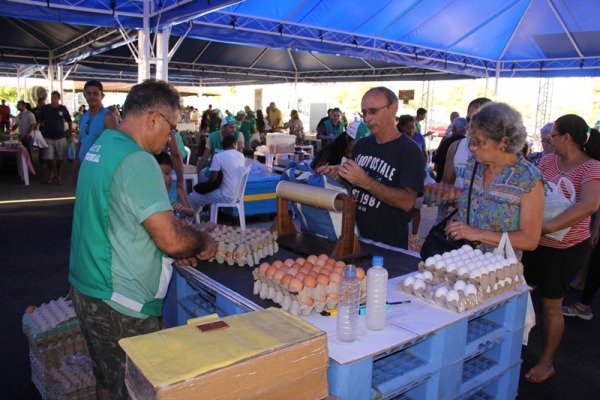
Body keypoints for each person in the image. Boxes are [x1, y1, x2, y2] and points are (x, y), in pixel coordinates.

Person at [69, 79, 217, 400]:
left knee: (107, 378)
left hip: (88, 287)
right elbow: (171, 240)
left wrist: (170, 245)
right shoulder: (139, 160)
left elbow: (119, 217)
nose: (171, 137)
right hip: (121, 304)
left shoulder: (102, 145)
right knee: (137, 390)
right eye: (172, 128)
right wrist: (203, 244)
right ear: (153, 119)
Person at [521, 114, 600, 384]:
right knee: (517, 295)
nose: (548, 141)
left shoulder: (592, 168)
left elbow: (590, 204)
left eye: (552, 136)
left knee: (551, 307)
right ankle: (514, 347)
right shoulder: (547, 161)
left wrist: (550, 225)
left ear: (566, 137)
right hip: (533, 241)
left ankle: (547, 362)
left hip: (563, 249)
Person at [319, 87, 425, 249]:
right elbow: (354, 186)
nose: (367, 118)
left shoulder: (409, 151)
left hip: (387, 246)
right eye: (364, 113)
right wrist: (339, 176)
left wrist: (366, 182)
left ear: (393, 109)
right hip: (354, 238)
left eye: (373, 112)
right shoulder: (362, 145)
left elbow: (407, 202)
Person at [443, 102, 544, 254]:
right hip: (462, 263)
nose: (472, 147)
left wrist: (476, 233)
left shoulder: (528, 180)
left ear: (503, 142)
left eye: (479, 143)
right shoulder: (474, 166)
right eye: (471, 141)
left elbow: (529, 240)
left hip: (498, 272)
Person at [72, 80, 119, 186]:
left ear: (102, 95)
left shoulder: (108, 117)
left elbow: (115, 145)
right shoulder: (83, 117)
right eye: (88, 93)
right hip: (84, 167)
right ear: (84, 95)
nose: (92, 96)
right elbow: (81, 143)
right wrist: (75, 169)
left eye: (95, 93)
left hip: (100, 169)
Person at [189, 134, 246, 212]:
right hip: (238, 195)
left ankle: (187, 219)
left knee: (192, 196)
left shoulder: (218, 157)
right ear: (234, 145)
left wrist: (203, 188)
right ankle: (197, 214)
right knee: (202, 194)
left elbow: (212, 179)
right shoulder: (241, 156)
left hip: (226, 195)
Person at [40, 91, 73, 185]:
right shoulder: (45, 108)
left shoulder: (63, 109)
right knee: (48, 157)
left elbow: (69, 121)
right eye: (52, 97)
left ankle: (59, 175)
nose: (53, 99)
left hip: (60, 137)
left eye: (55, 97)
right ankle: (51, 173)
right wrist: (38, 126)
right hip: (48, 136)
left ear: (59, 99)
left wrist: (70, 134)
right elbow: (40, 119)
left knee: (60, 158)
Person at [196, 115, 244, 181]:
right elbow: (205, 157)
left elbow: (239, 158)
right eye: (231, 127)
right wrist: (196, 173)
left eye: (235, 127)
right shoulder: (213, 136)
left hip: (230, 172)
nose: (234, 130)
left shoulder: (238, 136)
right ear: (223, 127)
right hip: (213, 170)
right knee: (201, 176)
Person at [155, 151, 194, 221]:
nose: (163, 177)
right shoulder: (152, 191)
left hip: (177, 226)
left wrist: (182, 208)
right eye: (159, 173)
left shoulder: (178, 189)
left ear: (171, 172)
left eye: (167, 173)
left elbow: (191, 212)